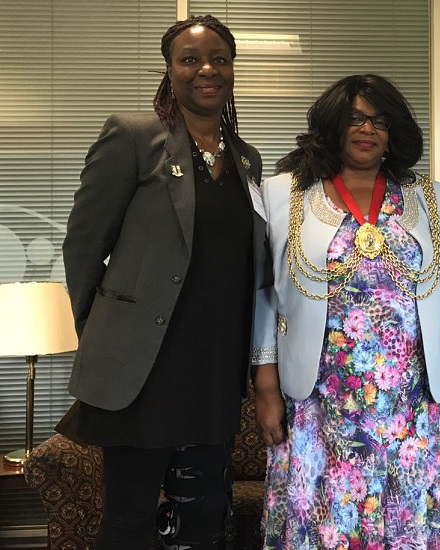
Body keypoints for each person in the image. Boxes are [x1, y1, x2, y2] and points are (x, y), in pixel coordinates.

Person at [58, 14, 266, 550]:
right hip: (141, 371)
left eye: (219, 58)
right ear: (170, 70)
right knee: (129, 521)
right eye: (191, 59)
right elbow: (83, 248)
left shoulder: (246, 159)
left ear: (232, 68)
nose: (207, 70)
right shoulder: (133, 137)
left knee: (202, 522)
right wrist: (105, 329)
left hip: (213, 369)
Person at [251, 74, 440, 549]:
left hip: (410, 404)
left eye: (379, 120)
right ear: (332, 125)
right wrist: (265, 386)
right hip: (321, 401)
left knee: (407, 522)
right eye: (354, 118)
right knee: (328, 524)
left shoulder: (432, 199)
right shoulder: (284, 195)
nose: (366, 129)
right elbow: (265, 293)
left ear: (394, 132)